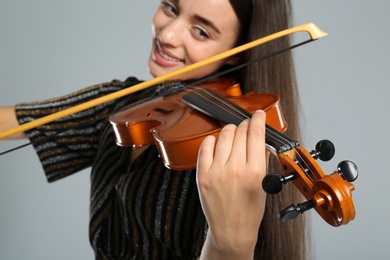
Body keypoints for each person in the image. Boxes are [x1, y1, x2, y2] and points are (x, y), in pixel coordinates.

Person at [0, 0, 310, 259]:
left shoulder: (232, 155)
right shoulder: (129, 103)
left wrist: (229, 247)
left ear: (238, 50)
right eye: (171, 7)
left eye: (201, 31)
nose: (168, 34)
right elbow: (11, 121)